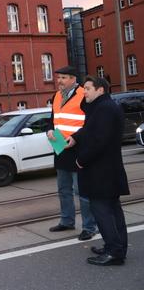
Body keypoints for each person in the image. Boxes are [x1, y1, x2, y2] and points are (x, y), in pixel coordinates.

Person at [66, 76, 129, 266]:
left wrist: (80, 160)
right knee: (112, 210)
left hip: (101, 171)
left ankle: (114, 252)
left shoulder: (104, 109)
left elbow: (99, 141)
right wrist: (75, 138)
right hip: (107, 170)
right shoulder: (102, 107)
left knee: (102, 211)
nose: (83, 92)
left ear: (100, 90)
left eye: (87, 88)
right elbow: (89, 130)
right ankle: (116, 247)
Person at [46, 66, 97, 240]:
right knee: (63, 189)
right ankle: (67, 221)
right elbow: (52, 119)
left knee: (82, 191)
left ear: (74, 79)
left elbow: (91, 122)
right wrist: (49, 131)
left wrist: (75, 138)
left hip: (78, 147)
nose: (59, 80)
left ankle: (89, 227)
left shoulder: (85, 94)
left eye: (64, 77)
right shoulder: (57, 95)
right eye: (59, 77)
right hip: (60, 147)